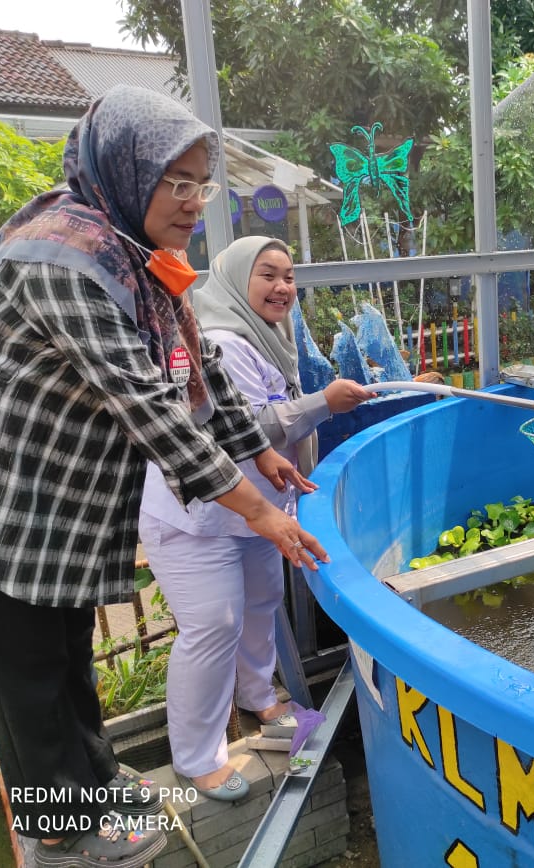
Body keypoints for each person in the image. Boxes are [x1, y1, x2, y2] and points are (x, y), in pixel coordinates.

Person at [0, 86, 327, 868]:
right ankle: (62, 829)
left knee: (69, 653)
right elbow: (148, 407)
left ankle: (97, 781)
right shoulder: (67, 258)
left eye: (200, 184)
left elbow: (197, 370)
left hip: (47, 505)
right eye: (177, 182)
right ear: (127, 169)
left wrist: (260, 451)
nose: (192, 203)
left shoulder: (140, 261)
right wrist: (259, 512)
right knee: (28, 681)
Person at [139, 236, 372, 800]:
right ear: (235, 280)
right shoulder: (219, 339)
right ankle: (198, 758)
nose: (282, 287)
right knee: (212, 627)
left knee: (263, 602)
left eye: (289, 276)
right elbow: (242, 425)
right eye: (267, 275)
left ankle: (259, 698)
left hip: (257, 512)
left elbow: (256, 430)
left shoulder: (268, 339)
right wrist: (322, 403)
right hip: (199, 516)